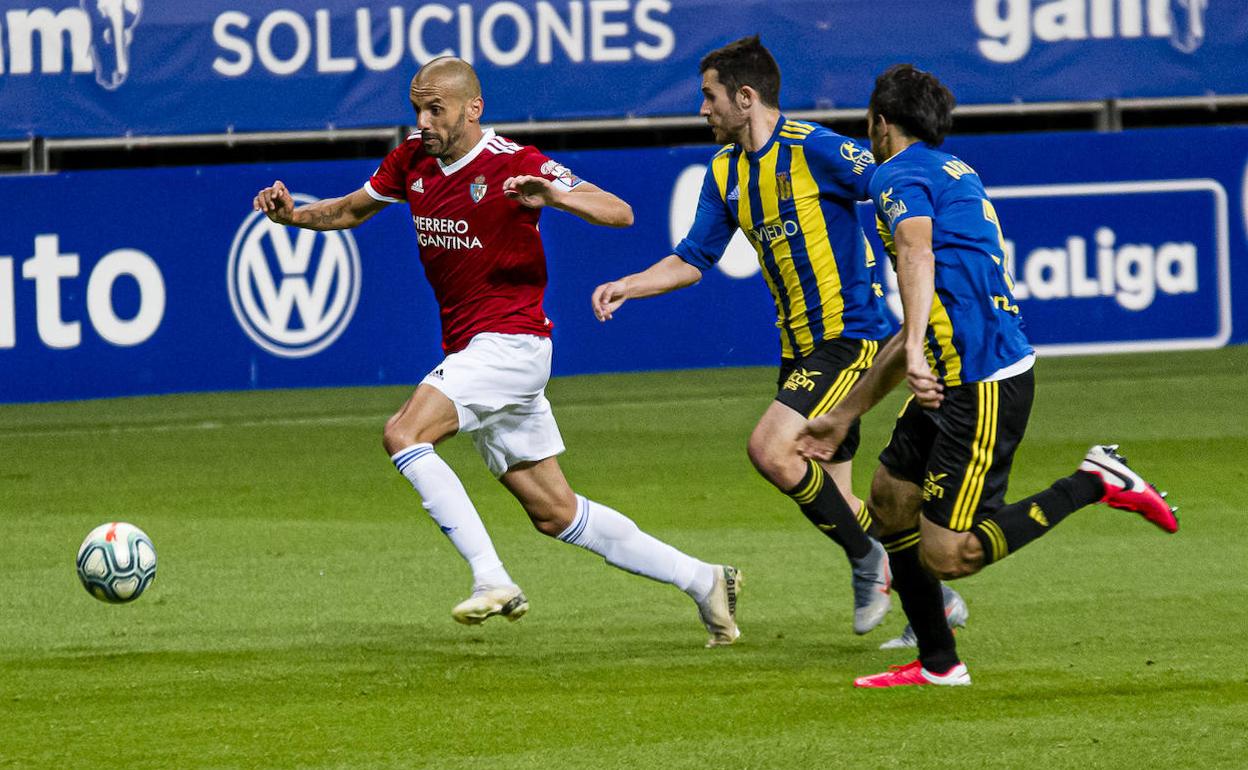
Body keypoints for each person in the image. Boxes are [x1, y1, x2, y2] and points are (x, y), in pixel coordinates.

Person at [252, 57, 741, 648]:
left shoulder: (514, 163)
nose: (423, 121)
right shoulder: (412, 157)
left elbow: (620, 211)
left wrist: (553, 197)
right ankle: (705, 580)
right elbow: (353, 209)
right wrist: (293, 216)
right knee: (556, 514)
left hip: (511, 344)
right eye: (417, 109)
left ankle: (493, 578)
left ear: (471, 109)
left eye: (435, 109)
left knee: (405, 434)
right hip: (479, 352)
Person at [797, 64, 1178, 687]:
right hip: (954, 372)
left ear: (881, 124)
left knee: (948, 555)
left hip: (982, 385)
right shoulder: (954, 171)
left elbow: (915, 254)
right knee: (891, 504)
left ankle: (1094, 481)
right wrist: (847, 412)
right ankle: (939, 663)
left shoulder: (895, 174)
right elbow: (924, 314)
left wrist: (916, 347)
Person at [591, 35, 965, 637]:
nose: (702, 109)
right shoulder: (724, 171)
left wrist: (928, 247)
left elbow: (898, 180)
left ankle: (870, 563)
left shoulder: (816, 149)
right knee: (838, 498)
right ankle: (934, 598)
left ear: (745, 97)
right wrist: (630, 284)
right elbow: (694, 256)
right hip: (798, 348)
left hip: (852, 336)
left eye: (709, 96)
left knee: (771, 449)